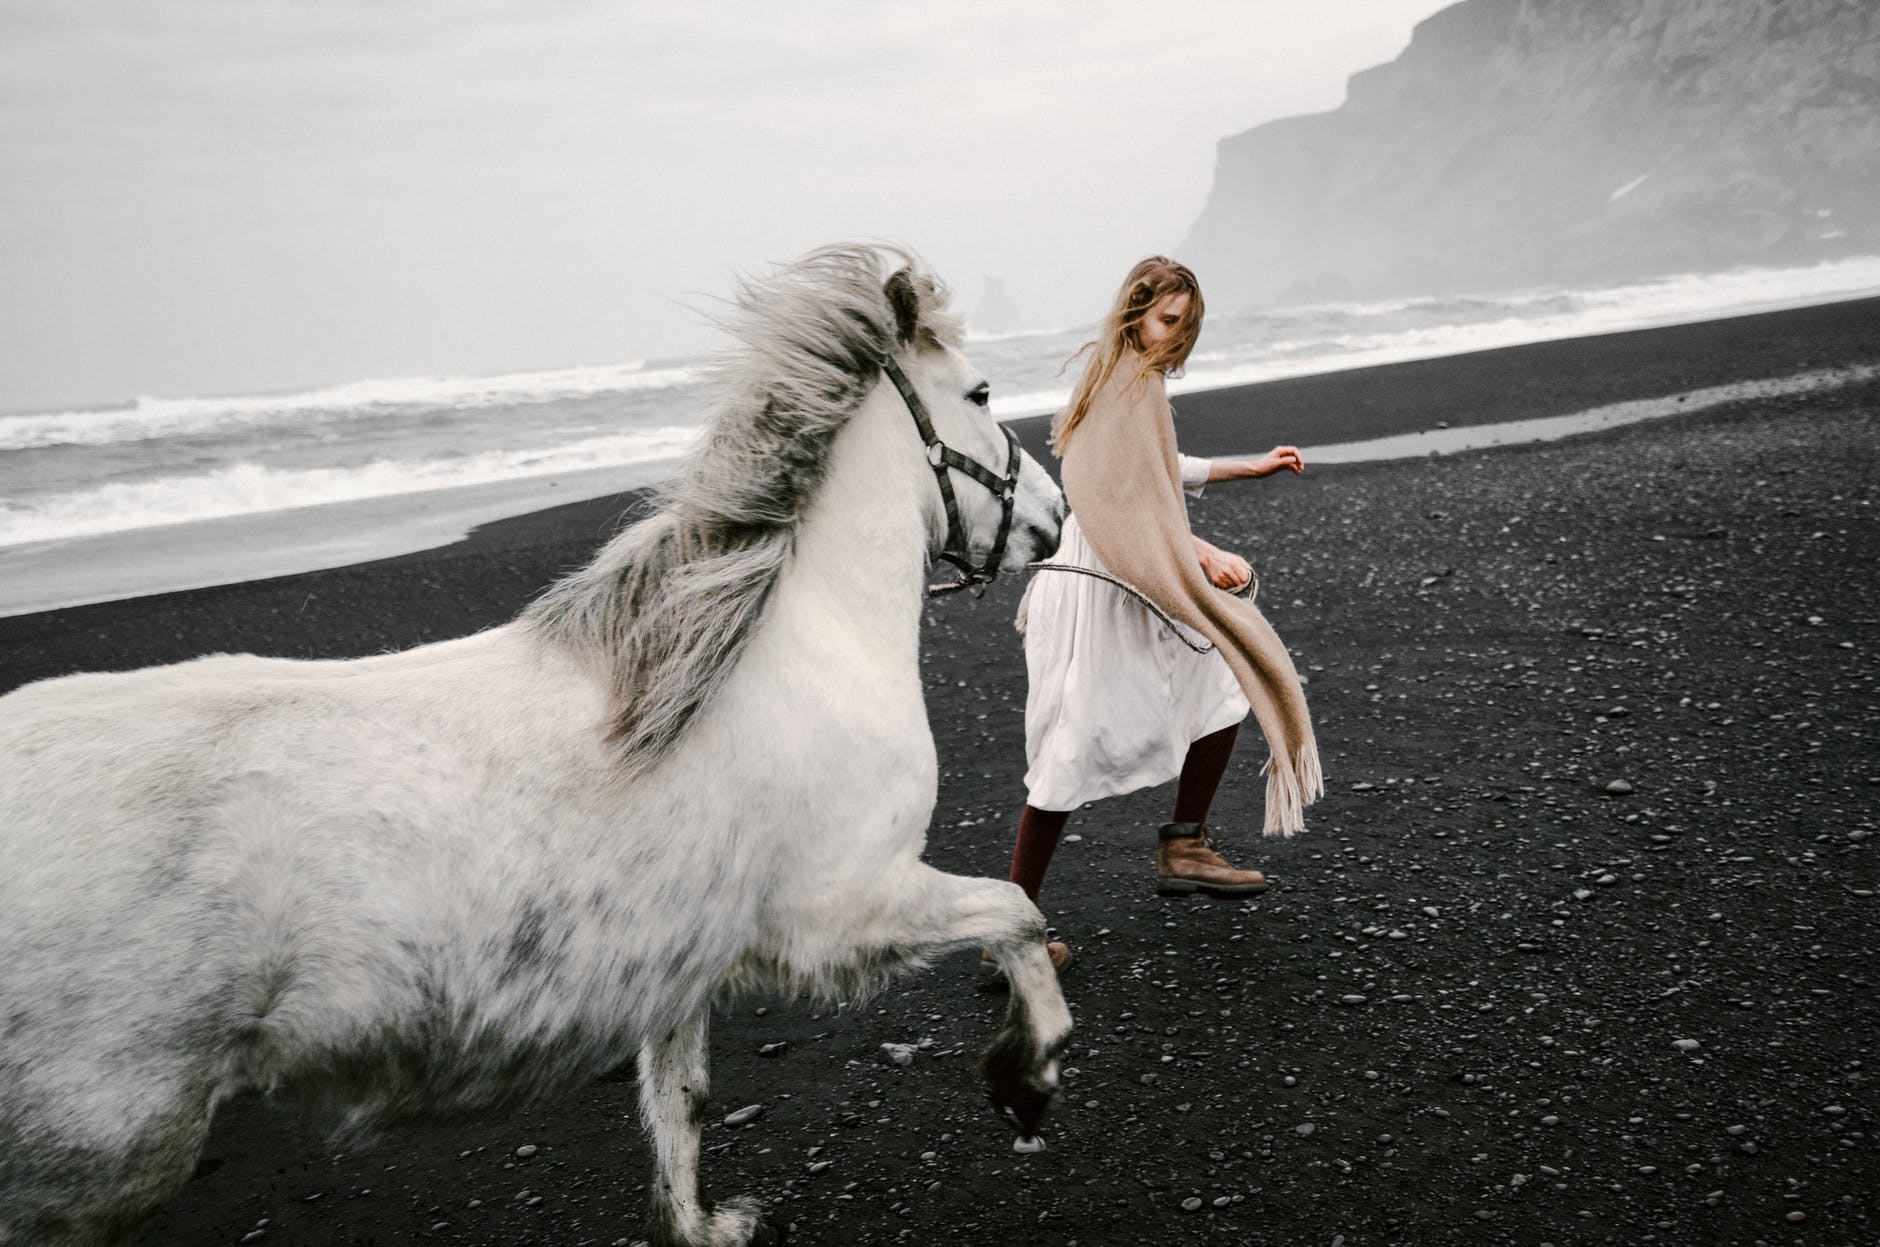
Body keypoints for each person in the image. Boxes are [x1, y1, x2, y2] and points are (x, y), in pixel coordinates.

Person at [991, 256, 1323, 976]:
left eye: (1187, 327)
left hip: (1131, 557)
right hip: (1105, 575)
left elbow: (1155, 472)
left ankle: (1185, 843)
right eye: (1169, 320)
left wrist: (1250, 466)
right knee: (1070, 746)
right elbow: (1113, 498)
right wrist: (1197, 549)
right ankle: (1011, 937)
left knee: (1220, 684)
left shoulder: (1127, 379)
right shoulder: (1125, 382)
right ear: (1137, 309)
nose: (1176, 338)